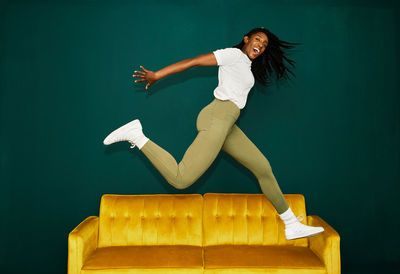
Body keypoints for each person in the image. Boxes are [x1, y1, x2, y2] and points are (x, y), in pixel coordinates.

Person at [103, 27, 324, 240]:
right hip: (217, 116)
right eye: (258, 39)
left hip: (227, 123)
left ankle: (292, 225)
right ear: (246, 39)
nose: (261, 45)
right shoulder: (233, 55)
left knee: (263, 168)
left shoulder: (246, 66)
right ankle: (136, 135)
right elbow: (194, 62)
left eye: (265, 44)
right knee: (181, 179)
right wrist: (157, 75)